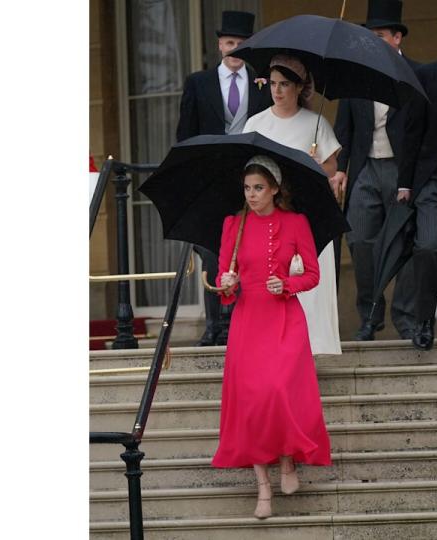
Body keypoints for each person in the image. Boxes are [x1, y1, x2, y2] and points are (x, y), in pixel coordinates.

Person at [211, 155, 332, 519]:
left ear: (276, 189)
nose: (251, 194)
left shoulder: (295, 223)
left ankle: (288, 462)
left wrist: (288, 284)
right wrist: (225, 284)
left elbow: (312, 274)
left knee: (279, 390)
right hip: (248, 320)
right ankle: (263, 486)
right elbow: (223, 280)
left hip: (284, 318)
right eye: (247, 188)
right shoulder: (232, 224)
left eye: (259, 188)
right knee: (251, 402)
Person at [175, 10, 273, 346]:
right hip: (208, 178)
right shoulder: (198, 83)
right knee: (211, 250)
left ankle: (239, 324)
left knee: (246, 247)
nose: (234, 49)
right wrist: (187, 178)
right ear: (219, 45)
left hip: (249, 177)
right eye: (229, 42)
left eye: (241, 44)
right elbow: (184, 136)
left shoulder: (262, 84)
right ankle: (214, 324)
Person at [332, 0, 427, 341]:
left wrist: (417, 177)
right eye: (369, 35)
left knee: (406, 245)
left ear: (397, 38)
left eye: (380, 35)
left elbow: (425, 131)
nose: (374, 41)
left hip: (404, 172)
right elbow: (344, 128)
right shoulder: (356, 78)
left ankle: (405, 319)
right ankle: (370, 316)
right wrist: (341, 168)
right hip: (365, 169)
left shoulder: (419, 76)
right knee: (359, 241)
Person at [243, 54, 343, 356]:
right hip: (268, 214)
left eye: (284, 84)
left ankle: (311, 347)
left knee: (304, 276)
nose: (277, 90)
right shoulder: (255, 123)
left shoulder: (316, 123)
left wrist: (315, 164)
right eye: (273, 83)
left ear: (299, 87)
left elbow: (330, 166)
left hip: (305, 213)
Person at [410, 20, 437, 350]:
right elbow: (412, 132)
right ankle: (423, 319)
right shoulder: (431, 75)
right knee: (428, 246)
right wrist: (405, 183)